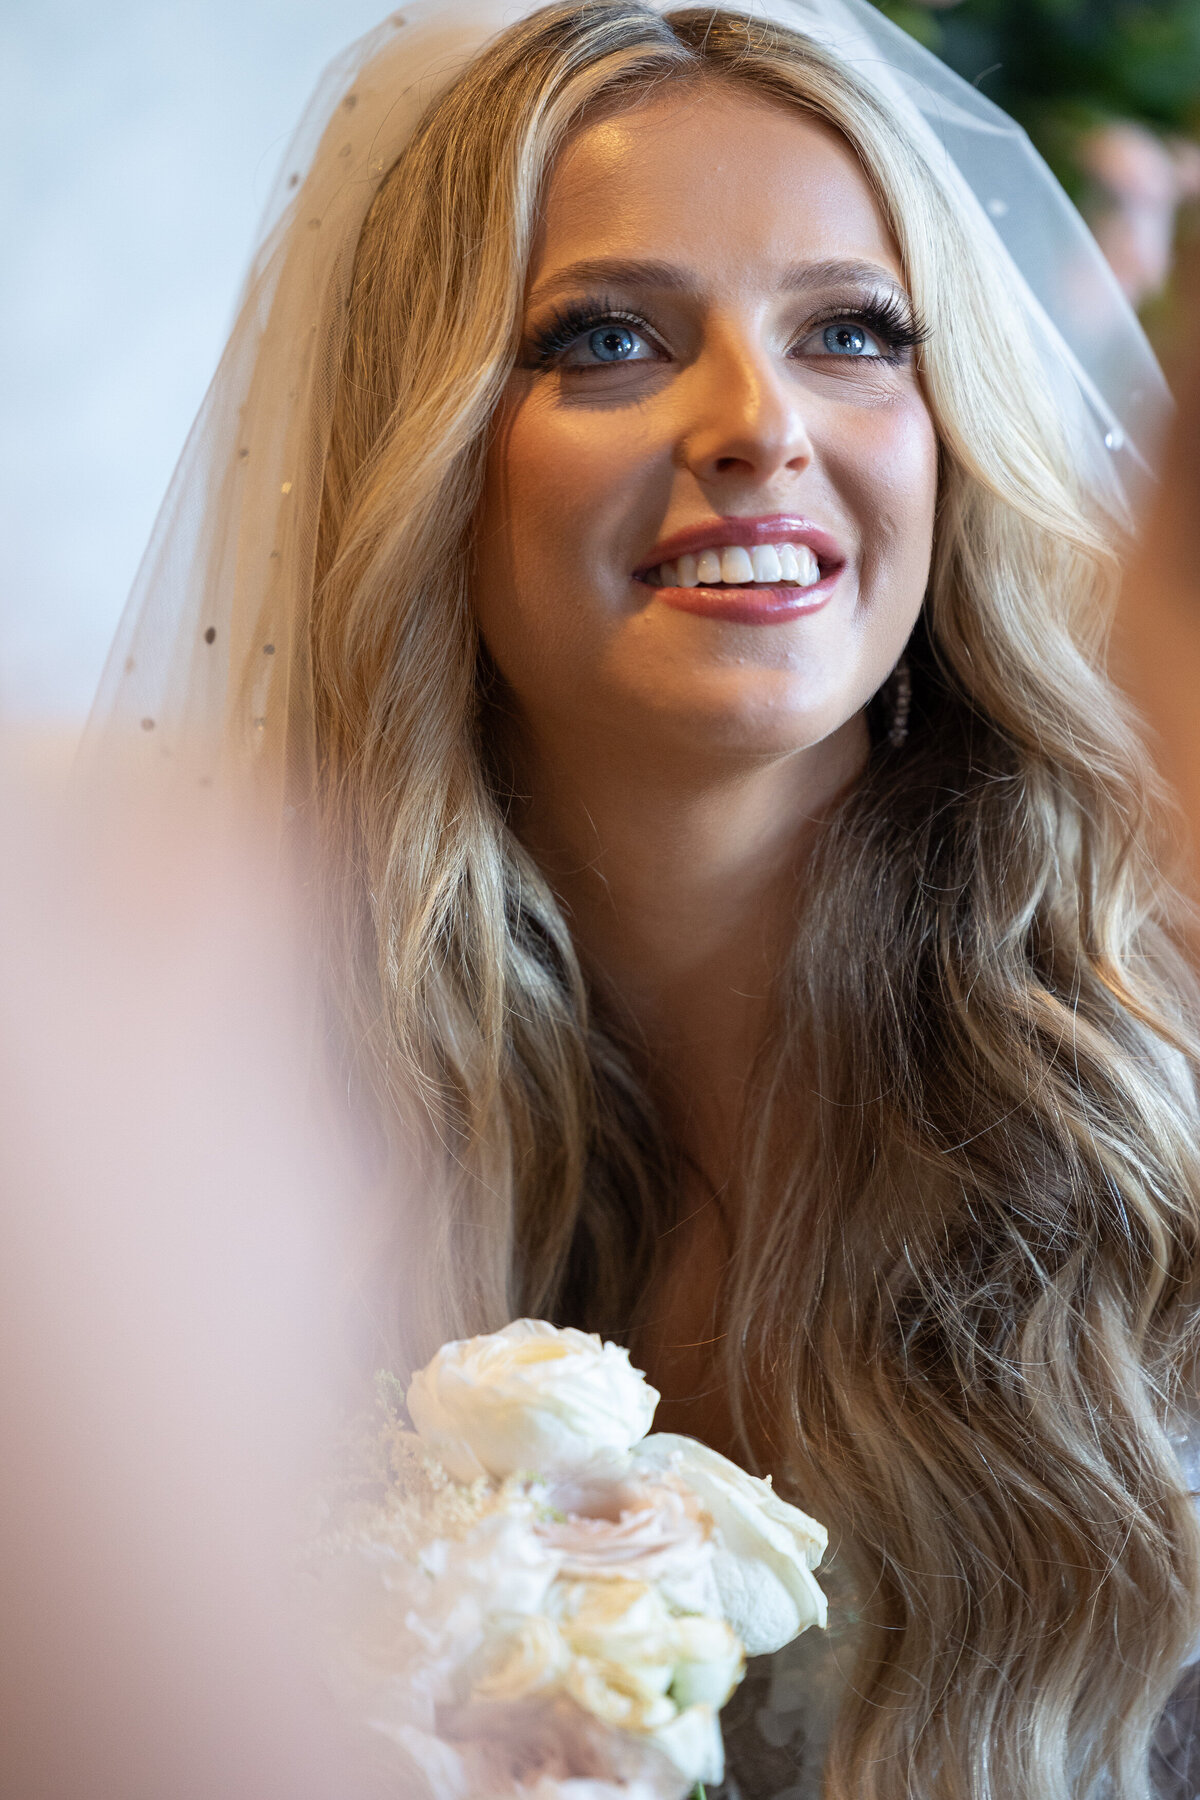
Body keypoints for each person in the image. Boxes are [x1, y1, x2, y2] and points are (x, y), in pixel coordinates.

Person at [84, 2, 1200, 1795]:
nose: (760, 424)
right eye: (608, 339)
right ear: (427, 457)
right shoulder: (255, 1182)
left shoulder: (1167, 1112)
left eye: (853, 332)